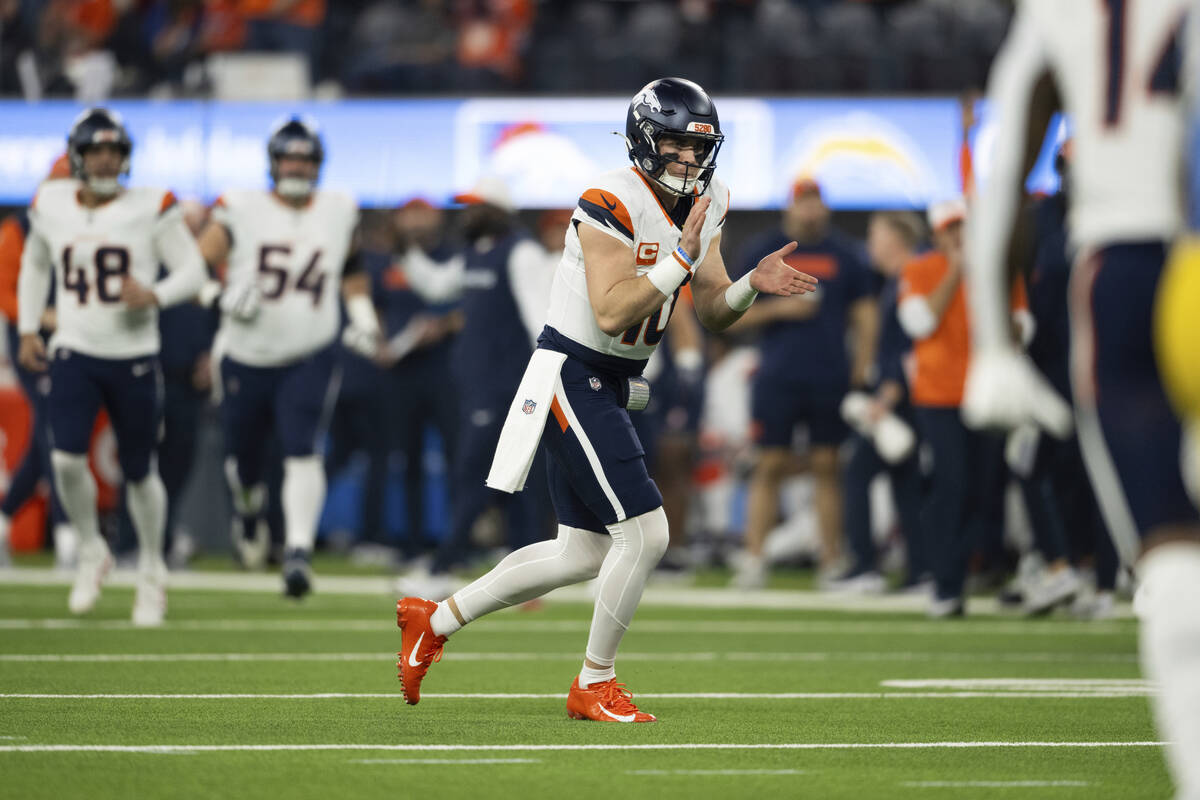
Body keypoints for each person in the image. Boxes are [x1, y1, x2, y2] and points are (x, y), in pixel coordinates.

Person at [395, 77, 818, 722]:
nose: (688, 161)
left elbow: (709, 308)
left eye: (697, 148)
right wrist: (678, 256)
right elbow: (612, 307)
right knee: (647, 534)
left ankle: (437, 618)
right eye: (675, 146)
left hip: (617, 380)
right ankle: (595, 681)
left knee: (583, 550)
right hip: (571, 369)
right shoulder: (609, 199)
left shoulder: (712, 196)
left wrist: (747, 288)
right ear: (647, 141)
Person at [961, 2, 1200, 794]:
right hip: (1180, 253)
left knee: (1171, 559)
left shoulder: (1056, 13)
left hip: (1128, 270)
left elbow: (1003, 181)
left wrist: (993, 342)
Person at [15, 108, 206, 624]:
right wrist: (30, 326)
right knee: (64, 460)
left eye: (113, 150)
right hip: (74, 347)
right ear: (77, 156)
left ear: (125, 156)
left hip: (134, 356)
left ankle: (149, 569)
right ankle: (91, 548)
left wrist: (155, 293)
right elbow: (35, 263)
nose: (105, 159)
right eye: (96, 150)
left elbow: (193, 270)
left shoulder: (151, 204)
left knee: (141, 470)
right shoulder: (51, 201)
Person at [196, 115, 380, 598]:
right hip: (245, 353)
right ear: (274, 162)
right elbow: (191, 268)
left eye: (305, 158)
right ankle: (250, 512)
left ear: (318, 164)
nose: (297, 166)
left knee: (303, 449)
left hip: (310, 352)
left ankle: (298, 553)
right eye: (290, 158)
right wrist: (218, 295)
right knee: (246, 462)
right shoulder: (239, 205)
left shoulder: (340, 208)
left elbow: (352, 271)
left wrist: (363, 316)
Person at [394, 178, 554, 600]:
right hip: (480, 384)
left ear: (496, 209)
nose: (467, 214)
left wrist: (543, 379)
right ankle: (529, 577)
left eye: (475, 207)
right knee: (510, 482)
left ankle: (442, 564)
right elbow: (435, 285)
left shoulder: (521, 252)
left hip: (508, 384)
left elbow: (541, 319)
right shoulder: (473, 254)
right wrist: (404, 250)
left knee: (474, 473)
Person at [729, 178, 877, 588]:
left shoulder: (845, 255)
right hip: (777, 375)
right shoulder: (763, 249)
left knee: (827, 465)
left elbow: (866, 317)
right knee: (769, 463)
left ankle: (831, 560)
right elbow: (732, 314)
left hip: (829, 375)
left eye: (816, 202)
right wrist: (779, 312)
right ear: (789, 207)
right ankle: (754, 558)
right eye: (803, 202)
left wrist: (861, 372)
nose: (810, 211)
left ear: (825, 208)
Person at [900, 197, 1030, 616]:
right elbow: (920, 322)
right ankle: (945, 582)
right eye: (952, 228)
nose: (959, 235)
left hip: (986, 394)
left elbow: (1023, 329)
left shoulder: (996, 269)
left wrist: (988, 282)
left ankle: (962, 574)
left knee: (982, 490)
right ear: (938, 234)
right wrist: (958, 270)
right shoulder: (921, 270)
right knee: (950, 486)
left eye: (964, 227)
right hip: (939, 396)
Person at [834, 210, 928, 592]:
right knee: (907, 485)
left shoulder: (910, 278)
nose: (870, 245)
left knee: (856, 471)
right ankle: (921, 570)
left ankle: (865, 566)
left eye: (876, 236)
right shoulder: (894, 281)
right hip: (910, 396)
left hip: (905, 397)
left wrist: (887, 397)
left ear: (896, 239)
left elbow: (909, 346)